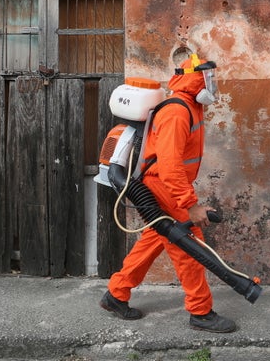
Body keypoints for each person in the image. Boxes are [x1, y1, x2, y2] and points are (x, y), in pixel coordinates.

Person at [99, 53, 236, 333]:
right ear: (194, 80)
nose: (211, 84)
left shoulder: (189, 107)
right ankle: (201, 311)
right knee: (188, 246)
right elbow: (170, 166)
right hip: (165, 187)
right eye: (207, 78)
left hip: (164, 186)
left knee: (152, 240)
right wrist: (190, 205)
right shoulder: (177, 111)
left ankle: (116, 294)